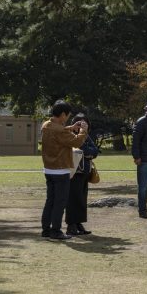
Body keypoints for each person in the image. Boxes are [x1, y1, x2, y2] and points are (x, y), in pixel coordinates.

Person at [40, 102, 88, 241]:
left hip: (48, 169)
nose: (67, 118)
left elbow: (58, 130)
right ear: (62, 115)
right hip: (60, 170)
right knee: (60, 203)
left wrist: (70, 127)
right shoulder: (59, 131)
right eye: (67, 116)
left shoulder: (46, 125)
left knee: (50, 201)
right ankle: (56, 231)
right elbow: (77, 142)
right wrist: (83, 131)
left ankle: (46, 230)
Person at [65, 113, 100, 236]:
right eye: (79, 123)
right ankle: (71, 225)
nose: (82, 125)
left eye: (84, 123)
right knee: (72, 199)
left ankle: (79, 223)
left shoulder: (86, 135)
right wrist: (86, 150)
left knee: (81, 199)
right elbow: (78, 147)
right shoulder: (70, 134)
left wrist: (86, 150)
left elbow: (95, 151)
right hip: (74, 172)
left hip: (85, 172)